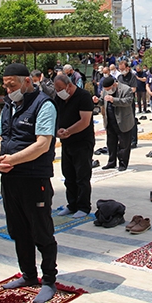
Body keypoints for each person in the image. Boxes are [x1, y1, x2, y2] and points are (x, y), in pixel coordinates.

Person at [0, 63, 58, 303]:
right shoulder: (9, 105)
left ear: (27, 82)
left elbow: (42, 144)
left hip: (33, 178)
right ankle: (29, 274)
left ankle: (49, 280)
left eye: (13, 84)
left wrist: (13, 160)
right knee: (19, 230)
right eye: (5, 85)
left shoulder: (44, 105)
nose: (8, 89)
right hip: (10, 178)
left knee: (41, 231)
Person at [54, 75, 95, 218]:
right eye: (57, 89)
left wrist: (68, 131)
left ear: (69, 86)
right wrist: (57, 130)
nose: (59, 92)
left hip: (82, 142)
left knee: (82, 176)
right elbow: (56, 116)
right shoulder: (58, 98)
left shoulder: (83, 96)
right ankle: (72, 205)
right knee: (68, 175)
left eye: (60, 89)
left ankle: (83, 207)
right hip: (66, 142)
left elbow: (85, 121)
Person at [92, 76, 134, 171]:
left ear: (114, 85)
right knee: (111, 143)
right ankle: (111, 162)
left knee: (124, 144)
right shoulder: (106, 91)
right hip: (110, 121)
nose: (107, 91)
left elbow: (128, 101)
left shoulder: (125, 89)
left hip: (123, 121)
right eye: (105, 89)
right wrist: (97, 101)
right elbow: (102, 101)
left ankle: (123, 164)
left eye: (108, 89)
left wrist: (113, 100)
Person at [118, 61, 138, 148]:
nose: (122, 71)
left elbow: (133, 89)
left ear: (128, 68)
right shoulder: (119, 77)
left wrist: (125, 90)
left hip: (129, 102)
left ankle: (133, 141)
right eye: (120, 69)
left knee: (132, 120)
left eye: (123, 69)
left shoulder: (132, 76)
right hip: (120, 101)